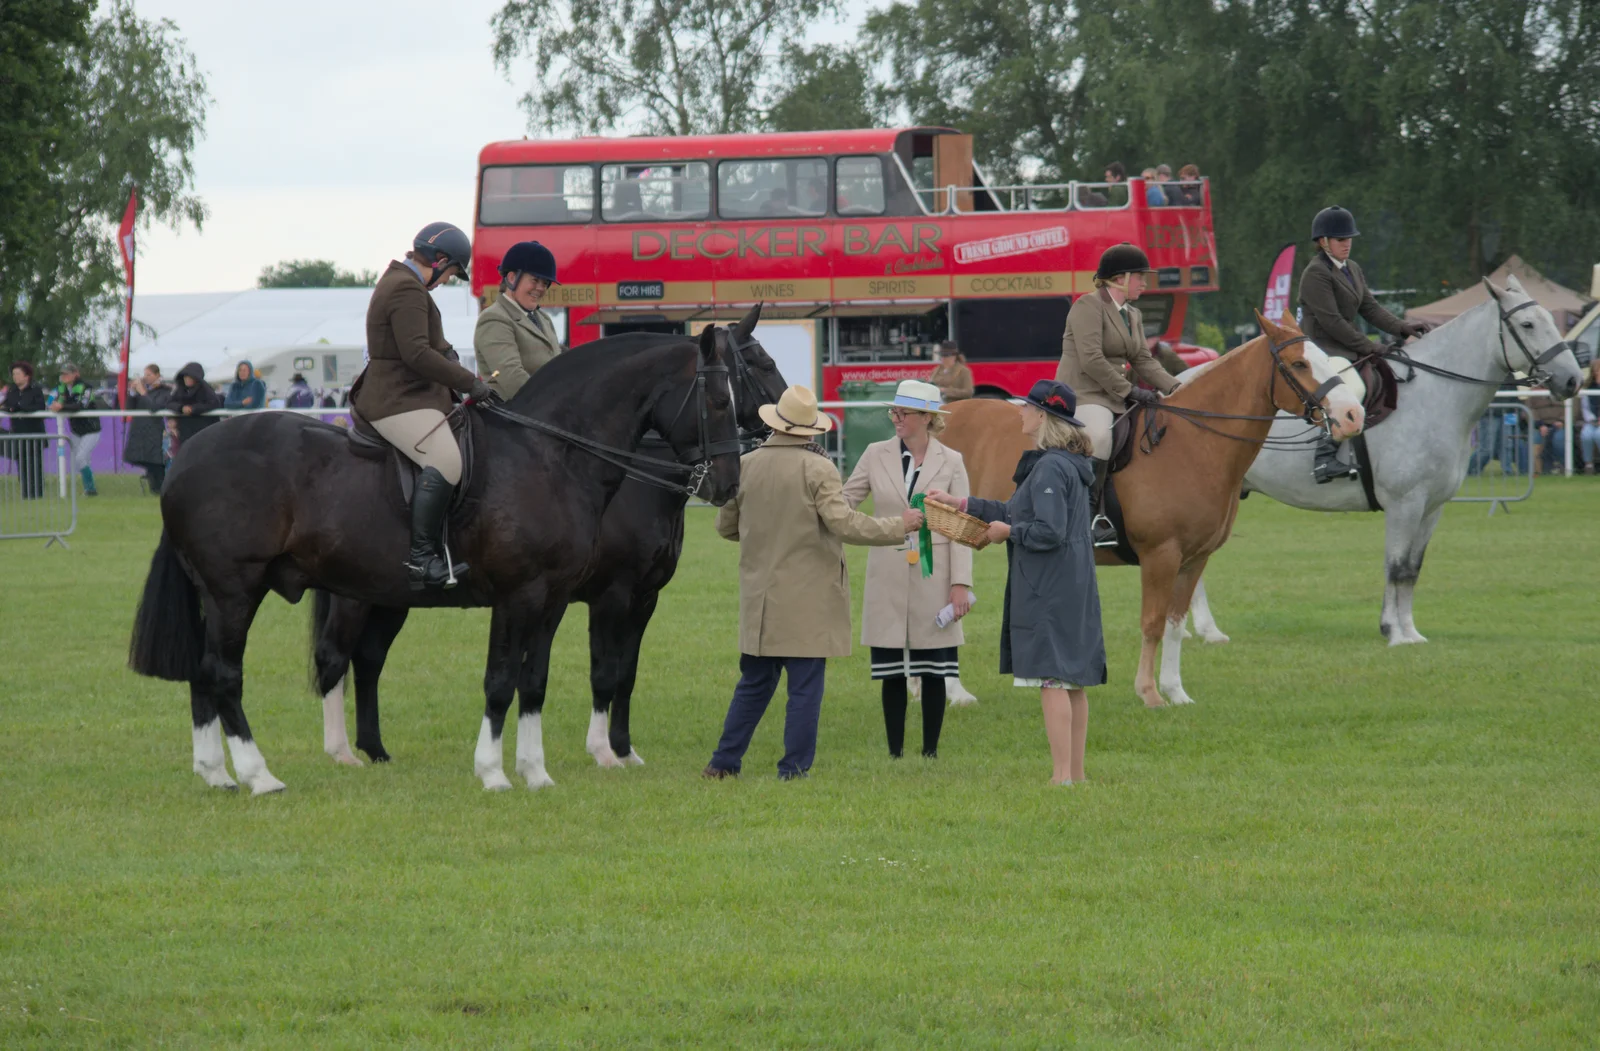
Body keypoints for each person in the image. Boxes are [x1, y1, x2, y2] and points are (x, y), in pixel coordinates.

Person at [703, 385, 921, 781]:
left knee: (753, 684)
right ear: (809, 429)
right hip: (809, 600)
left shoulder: (746, 464)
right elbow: (844, 524)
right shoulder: (818, 468)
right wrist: (898, 526)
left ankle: (723, 763)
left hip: (761, 601)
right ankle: (794, 769)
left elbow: (725, 526)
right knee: (804, 689)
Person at [929, 380, 1105, 785]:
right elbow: (1014, 507)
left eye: (1026, 407)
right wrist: (963, 504)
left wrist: (1008, 533)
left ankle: (1061, 776)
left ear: (1043, 416)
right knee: (1073, 680)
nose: (1019, 412)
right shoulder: (1065, 463)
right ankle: (1074, 775)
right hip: (1072, 581)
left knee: (1052, 678)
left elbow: (1047, 530)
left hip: (1050, 584)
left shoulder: (1048, 467)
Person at [350, 221, 495, 590]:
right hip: (396, 399)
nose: (447, 280)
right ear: (440, 259)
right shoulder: (405, 289)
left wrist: (453, 360)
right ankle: (420, 559)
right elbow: (416, 354)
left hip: (413, 394)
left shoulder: (406, 284)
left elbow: (432, 345)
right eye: (450, 273)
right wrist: (469, 383)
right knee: (446, 460)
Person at [841, 380, 974, 759]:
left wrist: (961, 583)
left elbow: (962, 527)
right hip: (887, 574)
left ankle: (929, 751)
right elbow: (845, 502)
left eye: (904, 413)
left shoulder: (952, 461)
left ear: (928, 418)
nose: (896, 418)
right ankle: (895, 752)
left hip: (937, 574)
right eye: (893, 412)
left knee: (934, 667)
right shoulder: (874, 453)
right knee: (891, 670)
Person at [1055, 242, 1180, 546]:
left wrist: (1176, 388)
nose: (1144, 283)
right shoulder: (1087, 306)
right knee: (1098, 435)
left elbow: (1143, 359)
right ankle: (1090, 516)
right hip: (1083, 394)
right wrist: (1131, 390)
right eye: (1139, 276)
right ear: (1119, 278)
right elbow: (1091, 359)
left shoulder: (1132, 315)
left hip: (1116, 396)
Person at [1298, 205, 1432, 483]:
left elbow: (1370, 308)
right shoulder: (1315, 274)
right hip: (1322, 349)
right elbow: (1332, 322)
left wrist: (1402, 327)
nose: (1347, 244)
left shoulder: (1352, 269)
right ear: (1323, 242)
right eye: (1340, 239)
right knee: (1353, 387)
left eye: (1349, 239)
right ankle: (1323, 458)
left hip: (1346, 347)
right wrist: (1371, 346)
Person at [475, 240, 562, 400]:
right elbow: (511, 376)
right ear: (512, 278)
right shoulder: (494, 319)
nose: (541, 288)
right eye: (535, 280)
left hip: (545, 414)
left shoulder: (542, 318)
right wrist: (555, 401)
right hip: (513, 414)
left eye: (545, 283)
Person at [50, 363, 102, 496]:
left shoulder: (86, 387)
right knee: (80, 459)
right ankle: (89, 489)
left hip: (91, 429)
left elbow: (80, 405)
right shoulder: (61, 388)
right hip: (76, 430)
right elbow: (51, 402)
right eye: (62, 373)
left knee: (80, 457)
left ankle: (90, 489)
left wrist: (60, 406)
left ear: (76, 374)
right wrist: (53, 405)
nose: (64, 376)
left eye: (67, 373)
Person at [1, 362, 47, 499]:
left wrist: (19, 408)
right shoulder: (12, 391)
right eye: (13, 374)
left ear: (27, 376)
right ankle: (26, 494)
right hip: (18, 433)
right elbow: (8, 406)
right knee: (22, 465)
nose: (15, 377)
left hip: (34, 434)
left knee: (35, 465)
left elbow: (38, 407)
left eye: (18, 374)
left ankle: (37, 495)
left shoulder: (36, 389)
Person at [125, 364, 172, 494]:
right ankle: (154, 489)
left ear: (158, 375)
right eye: (144, 375)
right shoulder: (144, 391)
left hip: (155, 431)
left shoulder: (166, 391)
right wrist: (133, 392)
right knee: (145, 460)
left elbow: (155, 407)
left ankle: (160, 489)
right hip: (140, 430)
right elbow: (130, 408)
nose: (146, 378)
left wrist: (143, 392)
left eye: (149, 375)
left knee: (156, 461)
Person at [167, 360, 223, 453]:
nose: (187, 379)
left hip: (202, 432)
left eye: (190, 376)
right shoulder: (181, 389)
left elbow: (214, 403)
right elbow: (170, 403)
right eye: (185, 376)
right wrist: (181, 408)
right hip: (185, 432)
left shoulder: (205, 389)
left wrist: (193, 409)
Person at [1579, 361, 1600, 474]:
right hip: (1591, 421)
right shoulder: (1588, 387)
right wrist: (1592, 419)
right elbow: (1585, 407)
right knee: (1586, 435)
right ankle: (1589, 465)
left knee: (1598, 435)